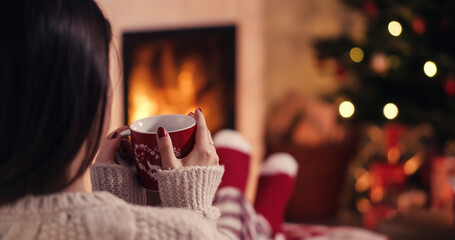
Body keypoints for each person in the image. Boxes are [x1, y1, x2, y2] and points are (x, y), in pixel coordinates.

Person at [0, 0, 298, 239]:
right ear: (85, 98)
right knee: (236, 228)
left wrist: (120, 202)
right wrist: (192, 209)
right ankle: (260, 214)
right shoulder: (176, 232)